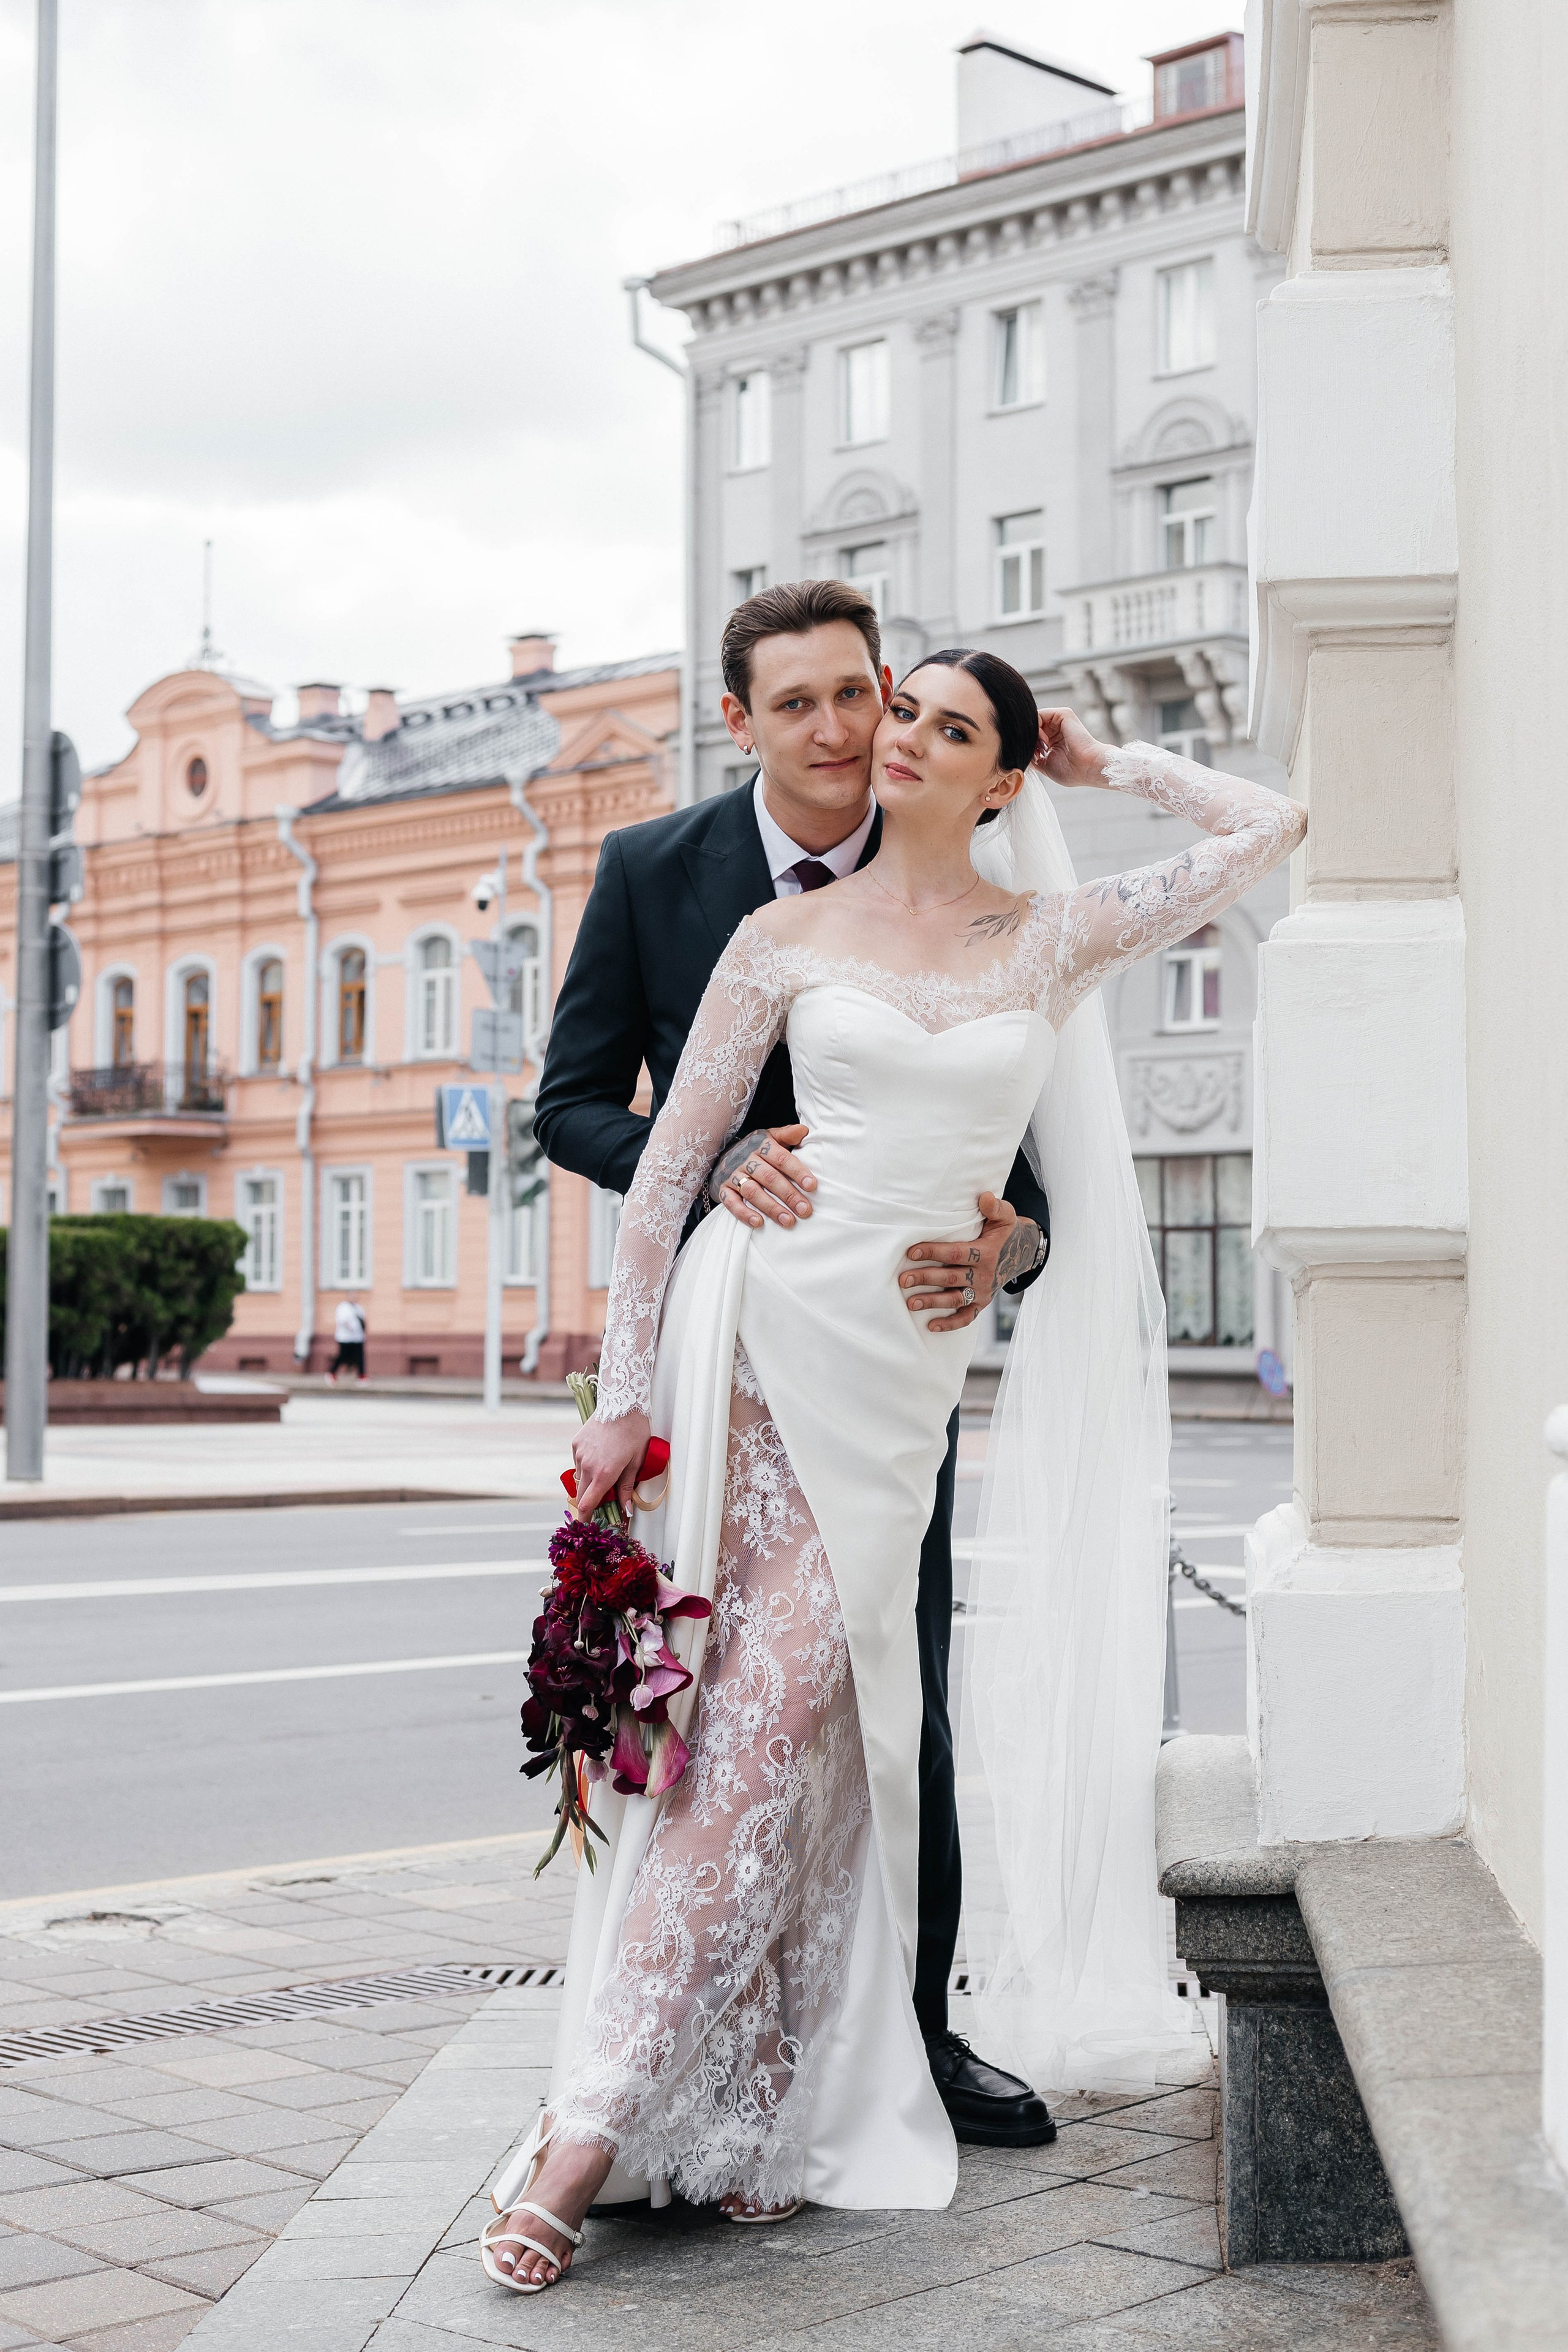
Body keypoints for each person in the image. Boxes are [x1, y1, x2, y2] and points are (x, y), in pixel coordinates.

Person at [485, 621, 1304, 2294]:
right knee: (755, 1716)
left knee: (833, 1740)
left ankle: (770, 2101)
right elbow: (659, 1181)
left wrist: (1104, 759)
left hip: (905, 1382)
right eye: (888, 710)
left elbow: (1268, 832)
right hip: (762, 1345)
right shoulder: (779, 933)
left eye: (934, 721)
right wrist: (624, 1402)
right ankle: (594, 2122)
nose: (895, 738)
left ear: (997, 775)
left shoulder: (1055, 935)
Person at [535, 580, 1054, 2157]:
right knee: (710, 1703)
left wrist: (997, 1255)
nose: (837, 731)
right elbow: (572, 1104)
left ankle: (910, 2026)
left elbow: (1025, 1188)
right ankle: (689, 2049)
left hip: (890, 1359)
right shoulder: (656, 873)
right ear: (740, 721)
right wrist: (711, 1167)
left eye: (860, 693)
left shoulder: (978, 892)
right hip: (726, 1341)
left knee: (895, 1692)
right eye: (798, 705)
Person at [326, 1295, 365, 1384]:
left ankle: (362, 1376)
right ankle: (332, 1374)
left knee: (360, 1357)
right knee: (342, 1356)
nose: (354, 1298)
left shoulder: (358, 1308)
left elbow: (363, 1320)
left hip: (358, 1338)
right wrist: (351, 1328)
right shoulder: (343, 1307)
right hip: (345, 1338)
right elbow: (343, 1321)